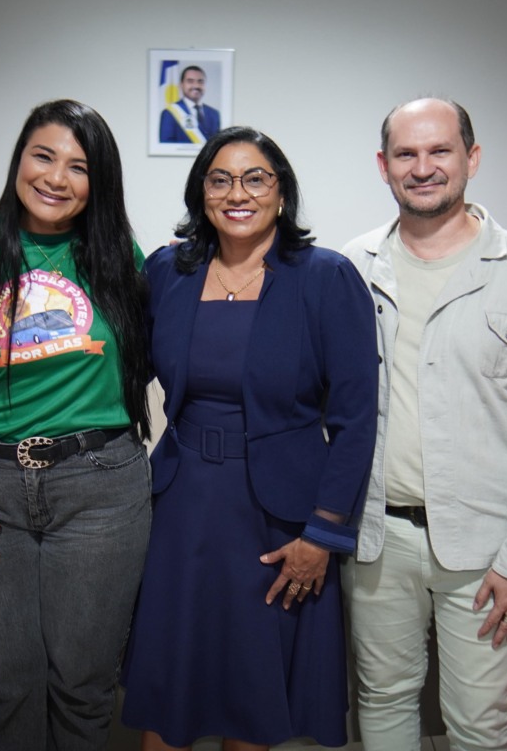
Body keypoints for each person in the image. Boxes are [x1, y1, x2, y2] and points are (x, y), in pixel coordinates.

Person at [120, 126, 378, 750]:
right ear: (201, 192)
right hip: (181, 509)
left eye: (256, 178)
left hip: (278, 518)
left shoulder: (325, 278)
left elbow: (355, 419)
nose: (238, 192)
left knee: (250, 696)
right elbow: (120, 370)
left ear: (281, 194)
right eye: (220, 179)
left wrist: (322, 532)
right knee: (167, 687)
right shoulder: (168, 272)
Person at [0, 99, 152, 751]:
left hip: (100, 488)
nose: (56, 177)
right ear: (19, 159)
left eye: (79, 167)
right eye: (43, 156)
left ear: (97, 182)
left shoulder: (117, 256)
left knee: (84, 687)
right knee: (5, 685)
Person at [340, 97, 507, 749]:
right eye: (407, 154)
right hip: (380, 541)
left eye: (440, 150)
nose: (423, 167)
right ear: (383, 166)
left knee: (477, 723)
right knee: (382, 703)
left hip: (487, 550)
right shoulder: (353, 265)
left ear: (471, 158)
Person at [158, 65, 221, 144]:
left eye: (200, 81)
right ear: (181, 85)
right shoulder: (169, 113)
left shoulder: (215, 114)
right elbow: (165, 146)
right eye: (190, 81)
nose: (196, 86)